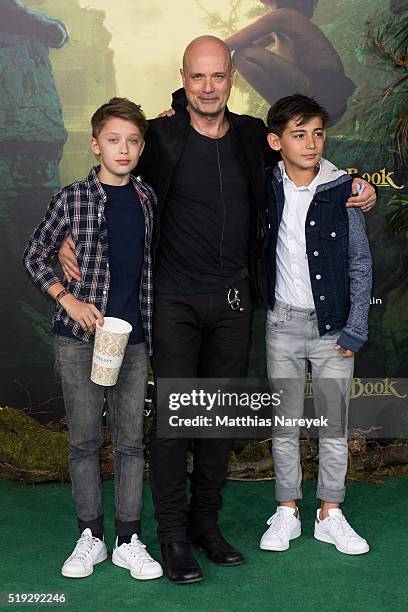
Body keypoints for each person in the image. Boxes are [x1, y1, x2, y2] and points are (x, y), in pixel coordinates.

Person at [58, 36, 377, 583]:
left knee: (216, 420)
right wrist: (67, 234)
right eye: (198, 77)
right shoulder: (158, 136)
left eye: (219, 77)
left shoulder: (255, 136)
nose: (209, 87)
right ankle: (173, 536)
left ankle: (207, 526)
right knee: (179, 420)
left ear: (232, 78)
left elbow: (305, 156)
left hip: (234, 300)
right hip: (174, 299)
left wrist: (358, 186)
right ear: (183, 78)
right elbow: (110, 179)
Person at [23, 98, 163, 580]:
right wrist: (68, 299)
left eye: (132, 141)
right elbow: (34, 255)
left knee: (130, 443)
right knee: (83, 441)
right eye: (113, 140)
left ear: (142, 147)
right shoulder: (72, 198)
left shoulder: (147, 200)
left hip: (135, 340)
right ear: (95, 144)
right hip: (79, 339)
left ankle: (128, 538)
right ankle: (91, 537)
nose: (122, 149)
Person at [260, 94, 371, 555]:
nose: (310, 143)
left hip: (333, 330)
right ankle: (286, 510)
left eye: (318, 133)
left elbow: (360, 264)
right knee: (284, 426)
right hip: (281, 324)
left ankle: (330, 512)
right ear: (275, 140)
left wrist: (355, 327)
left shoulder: (342, 190)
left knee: (334, 427)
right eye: (298, 134)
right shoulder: (265, 186)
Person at [224, 0, 355, 125]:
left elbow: (230, 43)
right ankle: (287, 115)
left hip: (325, 96)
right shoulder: (280, 19)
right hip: (322, 101)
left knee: (243, 55)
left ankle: (284, 116)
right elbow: (239, 43)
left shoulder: (283, 16)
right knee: (239, 54)